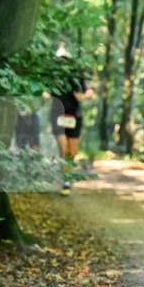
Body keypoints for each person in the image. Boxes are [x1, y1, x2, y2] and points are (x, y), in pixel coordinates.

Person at [44, 48, 94, 196]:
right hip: (57, 115)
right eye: (60, 61)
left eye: (65, 60)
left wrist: (87, 94)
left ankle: (67, 177)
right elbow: (44, 91)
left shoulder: (76, 78)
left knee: (72, 152)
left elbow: (84, 94)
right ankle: (64, 179)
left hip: (74, 117)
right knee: (63, 149)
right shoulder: (52, 78)